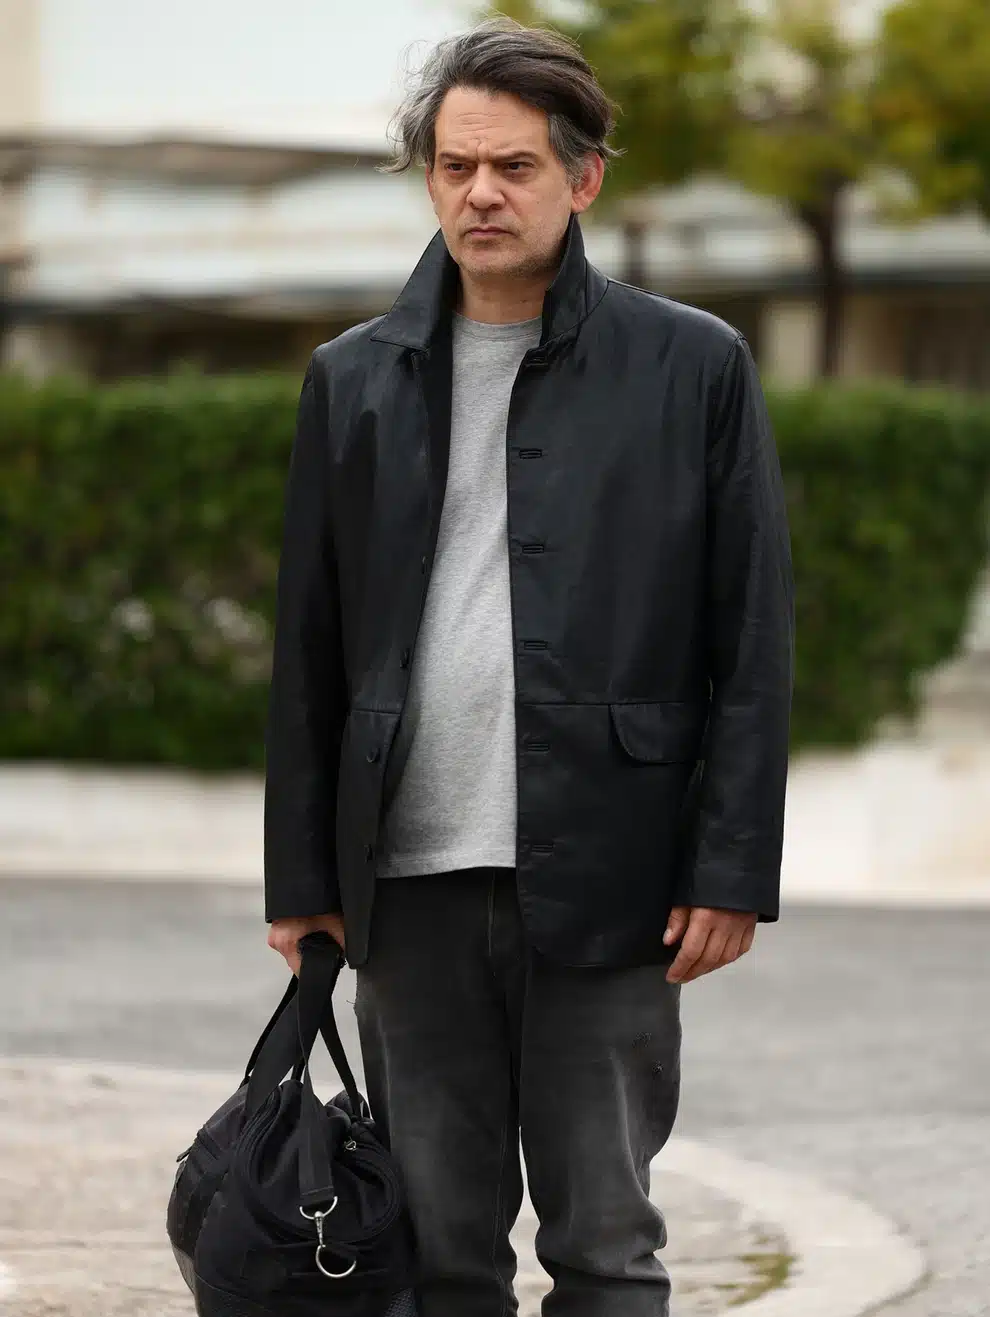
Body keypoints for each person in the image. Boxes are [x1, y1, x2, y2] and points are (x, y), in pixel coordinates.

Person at [264, 17, 794, 1317]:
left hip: (614, 874)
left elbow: (750, 636)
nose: (480, 194)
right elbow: (309, 647)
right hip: (406, 886)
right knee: (436, 1257)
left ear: (583, 177)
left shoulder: (691, 366)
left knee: (605, 1251)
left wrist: (729, 868)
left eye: (514, 166)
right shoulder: (353, 379)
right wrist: (301, 879)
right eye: (455, 167)